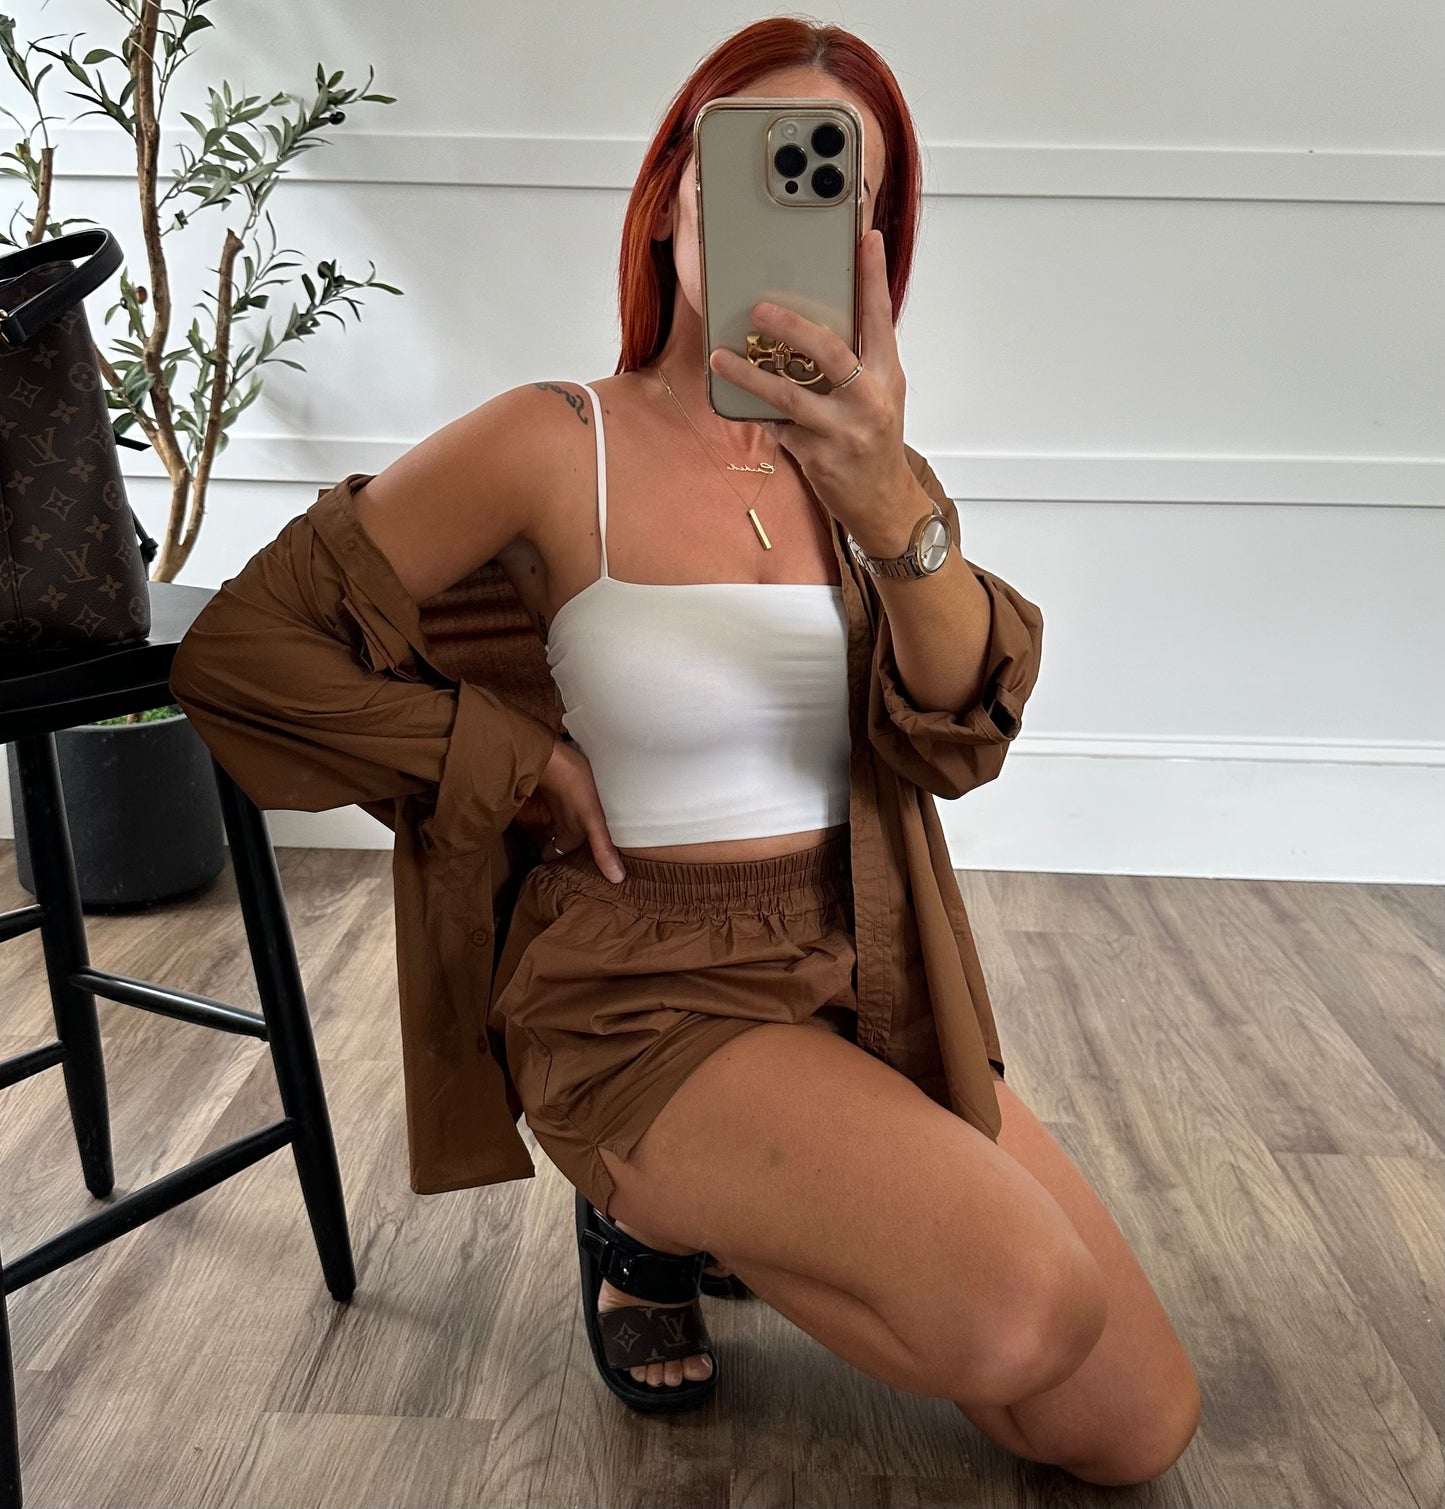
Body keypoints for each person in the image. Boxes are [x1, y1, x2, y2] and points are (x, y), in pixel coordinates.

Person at [172, 16, 1199, 1486]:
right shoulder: (552, 438)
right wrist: (507, 757)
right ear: (670, 196)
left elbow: (960, 725)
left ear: (875, 239)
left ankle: (716, 1206)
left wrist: (889, 497)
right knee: (1026, 1309)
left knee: (1130, 1425)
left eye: (836, 180)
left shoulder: (865, 465)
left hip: (862, 964)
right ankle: (652, 1209)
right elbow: (243, 652)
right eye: (753, 160)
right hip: (643, 988)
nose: (795, 200)